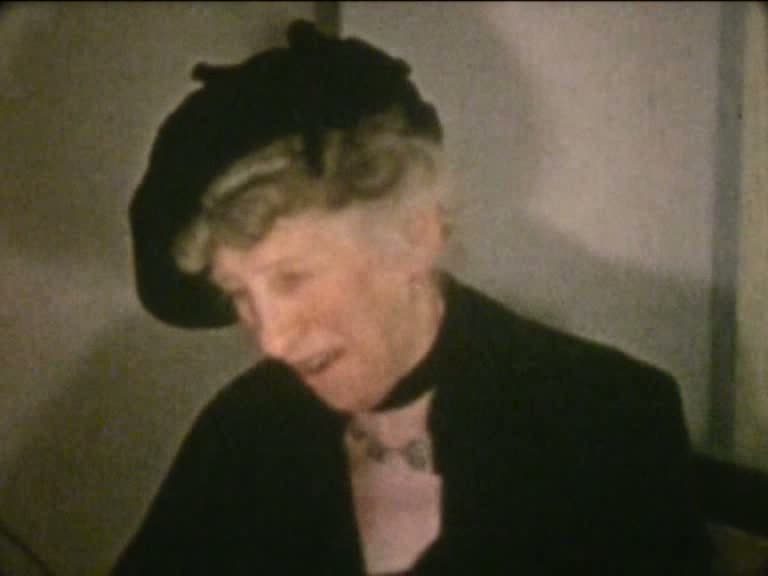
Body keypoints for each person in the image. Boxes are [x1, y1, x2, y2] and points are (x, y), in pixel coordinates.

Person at [115, 20, 712, 575]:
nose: (271, 340)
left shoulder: (610, 419)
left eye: (293, 278)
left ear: (416, 234)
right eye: (240, 296)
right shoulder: (241, 432)